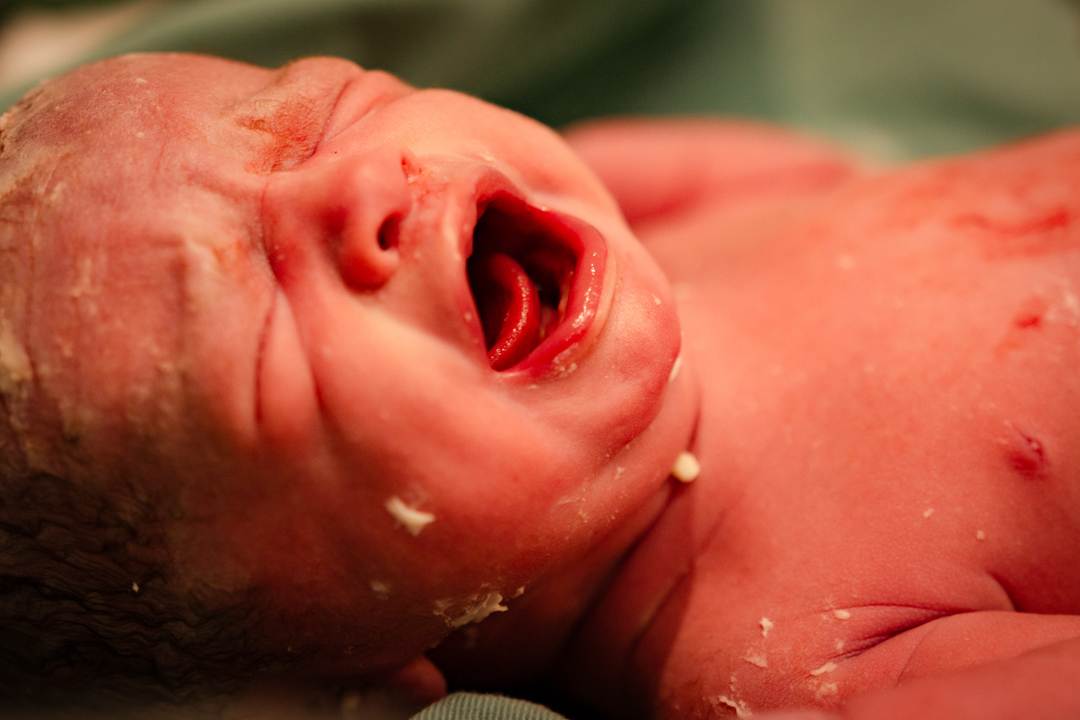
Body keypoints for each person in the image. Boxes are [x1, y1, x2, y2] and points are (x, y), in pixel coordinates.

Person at [0, 53, 1077, 719]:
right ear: (345, 679)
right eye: (261, 334)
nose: (358, 183)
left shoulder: (637, 203)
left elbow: (832, 177)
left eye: (322, 111)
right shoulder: (787, 664)